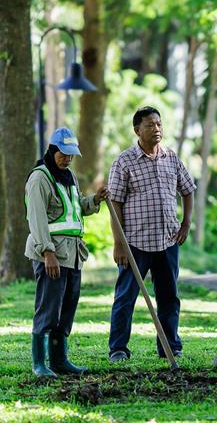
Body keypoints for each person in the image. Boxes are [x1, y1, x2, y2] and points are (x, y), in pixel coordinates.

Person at [107, 106, 196, 363]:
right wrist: (118, 243)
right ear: (137, 130)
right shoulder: (124, 162)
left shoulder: (172, 158)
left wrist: (186, 224)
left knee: (169, 297)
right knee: (126, 297)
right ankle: (118, 349)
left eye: (159, 124)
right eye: (149, 125)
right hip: (135, 242)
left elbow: (188, 190)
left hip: (168, 241)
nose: (156, 129)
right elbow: (115, 203)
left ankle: (170, 346)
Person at [25, 127, 110, 378]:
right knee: (48, 308)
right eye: (64, 154)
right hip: (51, 254)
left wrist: (95, 200)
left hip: (73, 255)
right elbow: (37, 218)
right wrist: (47, 252)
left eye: (72, 155)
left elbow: (76, 209)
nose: (68, 159)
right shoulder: (40, 178)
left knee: (67, 309)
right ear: (52, 151)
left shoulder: (69, 176)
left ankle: (60, 360)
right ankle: (40, 363)